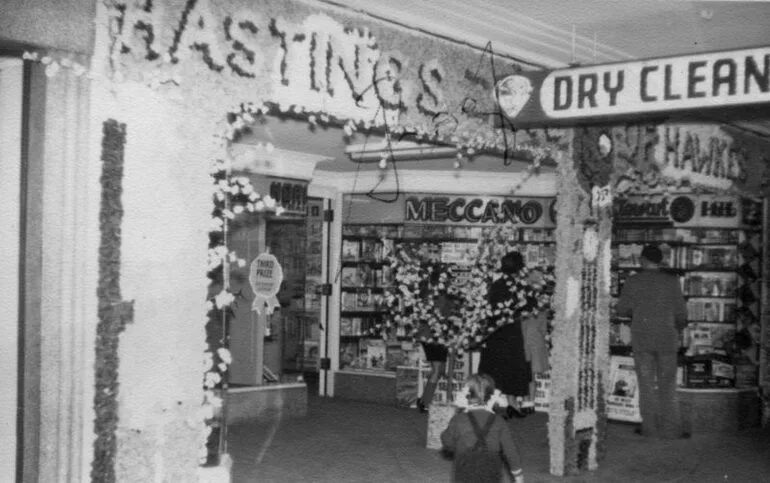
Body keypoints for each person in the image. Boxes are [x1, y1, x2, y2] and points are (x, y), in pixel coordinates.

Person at [616, 244, 688, 439]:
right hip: (667, 338)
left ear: (642, 260)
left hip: (642, 339)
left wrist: (637, 310)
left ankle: (649, 428)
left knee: (646, 384)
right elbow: (681, 314)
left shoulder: (633, 281)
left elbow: (622, 310)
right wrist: (677, 327)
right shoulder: (672, 281)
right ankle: (671, 429)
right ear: (660, 261)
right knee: (668, 384)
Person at [441, 374, 524, 483]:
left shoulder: (458, 420)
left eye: (462, 391)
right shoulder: (499, 421)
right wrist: (518, 476)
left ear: (466, 397)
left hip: (464, 467)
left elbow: (447, 441)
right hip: (491, 468)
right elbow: (510, 450)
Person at [478, 251, 532, 417]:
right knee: (512, 367)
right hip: (512, 332)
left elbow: (489, 309)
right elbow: (529, 307)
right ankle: (512, 404)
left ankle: (491, 404)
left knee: (495, 368)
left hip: (496, 332)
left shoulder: (497, 285)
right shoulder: (520, 286)